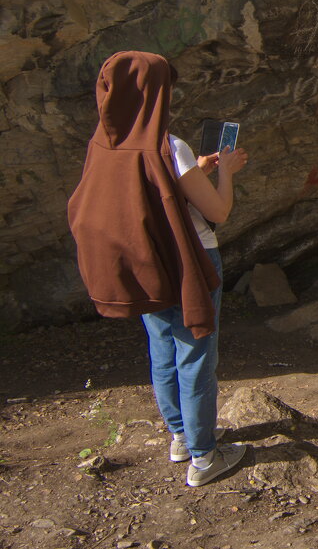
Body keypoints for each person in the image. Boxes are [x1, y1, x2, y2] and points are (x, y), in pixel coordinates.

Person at [67, 51, 250, 488]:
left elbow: (147, 192)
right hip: (190, 262)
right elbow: (218, 211)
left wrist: (193, 172)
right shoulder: (170, 147)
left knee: (162, 349)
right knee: (196, 355)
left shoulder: (104, 145)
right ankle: (205, 458)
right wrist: (224, 172)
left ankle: (181, 437)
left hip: (145, 260)